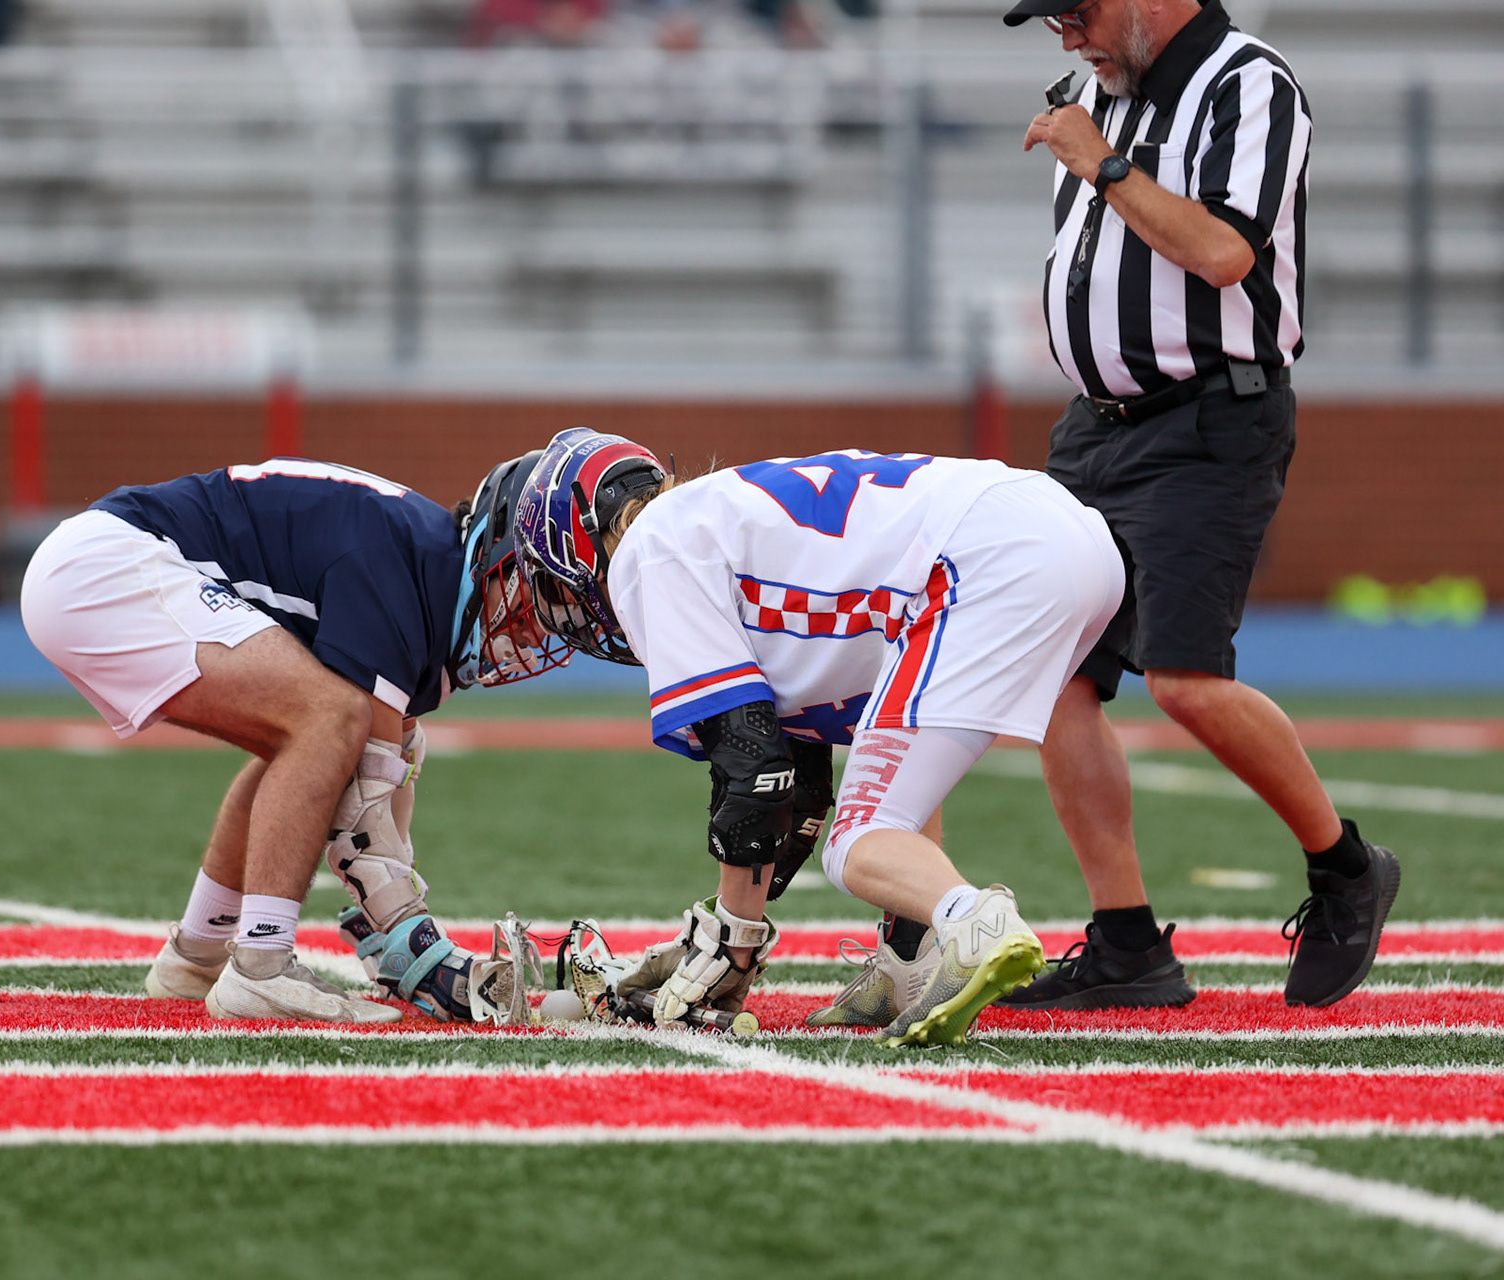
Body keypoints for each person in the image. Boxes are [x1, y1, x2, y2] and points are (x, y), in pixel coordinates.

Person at [998, 0, 1399, 1012]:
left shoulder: (1245, 81)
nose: (1064, 35)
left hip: (1208, 417)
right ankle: (1127, 942)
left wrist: (1105, 166)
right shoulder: (1104, 89)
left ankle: (1346, 865)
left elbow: (1224, 253)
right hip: (1097, 425)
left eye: (1077, 10)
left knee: (1184, 677)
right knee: (1051, 675)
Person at [509, 427, 1124, 1045]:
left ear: (574, 537)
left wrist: (730, 944)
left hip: (986, 558)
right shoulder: (718, 524)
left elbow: (752, 771)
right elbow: (792, 775)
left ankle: (975, 920)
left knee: (856, 840)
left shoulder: (654, 548)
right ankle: (907, 962)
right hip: (1069, 537)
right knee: (892, 784)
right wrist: (736, 930)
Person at [20, 452, 564, 1024]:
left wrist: (392, 928)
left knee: (317, 737)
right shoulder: (402, 574)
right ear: (498, 554)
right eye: (540, 600)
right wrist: (415, 946)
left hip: (106, 562)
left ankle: (197, 955)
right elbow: (363, 819)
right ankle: (261, 967)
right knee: (330, 720)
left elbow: (369, 775)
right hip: (109, 567)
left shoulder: (424, 568)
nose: (534, 632)